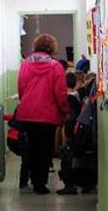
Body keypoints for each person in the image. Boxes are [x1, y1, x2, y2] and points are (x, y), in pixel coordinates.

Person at [17, 33, 69, 194]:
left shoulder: (25, 64)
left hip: (27, 113)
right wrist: (65, 110)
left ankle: (34, 178)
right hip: (48, 115)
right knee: (45, 149)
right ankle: (41, 183)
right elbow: (60, 92)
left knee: (32, 148)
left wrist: (25, 101)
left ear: (36, 46)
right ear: (52, 48)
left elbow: (21, 87)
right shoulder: (56, 66)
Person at [57, 72, 83, 195]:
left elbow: (68, 119)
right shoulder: (76, 96)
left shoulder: (68, 99)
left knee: (65, 160)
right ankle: (70, 184)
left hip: (69, 132)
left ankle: (69, 185)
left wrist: (65, 136)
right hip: (76, 131)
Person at [3, 108, 29, 188]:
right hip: (19, 139)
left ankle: (24, 181)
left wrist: (2, 116)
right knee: (27, 160)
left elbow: (12, 117)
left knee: (26, 160)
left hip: (11, 140)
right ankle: (24, 181)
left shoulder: (20, 109)